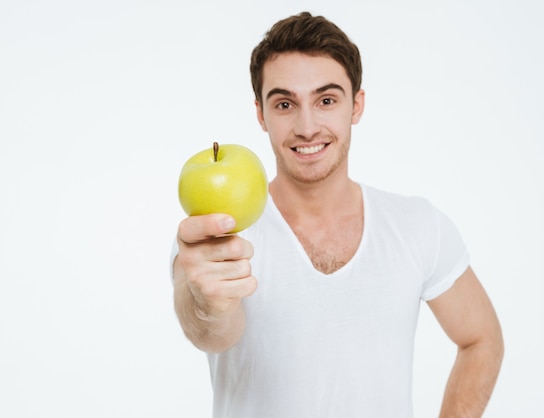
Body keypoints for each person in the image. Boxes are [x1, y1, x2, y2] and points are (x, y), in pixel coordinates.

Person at [172, 11, 504, 418]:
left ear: (356, 105)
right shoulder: (218, 236)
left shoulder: (417, 226)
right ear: (261, 114)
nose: (307, 126)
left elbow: (481, 339)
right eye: (285, 104)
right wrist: (210, 303)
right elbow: (210, 333)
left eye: (326, 100)